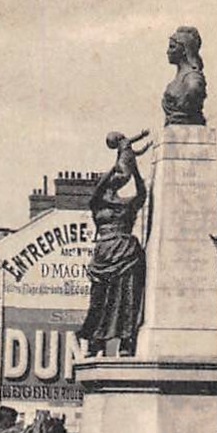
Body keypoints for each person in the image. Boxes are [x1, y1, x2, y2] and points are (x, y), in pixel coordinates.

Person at [76, 152, 148, 358]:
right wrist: (117, 164)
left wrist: (134, 170)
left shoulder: (128, 204)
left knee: (126, 299)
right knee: (99, 300)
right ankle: (95, 340)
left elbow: (142, 193)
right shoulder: (97, 204)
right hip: (104, 255)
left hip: (126, 252)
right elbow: (96, 192)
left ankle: (126, 340)